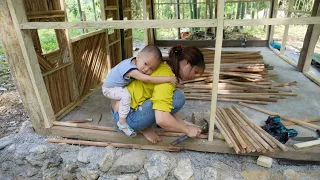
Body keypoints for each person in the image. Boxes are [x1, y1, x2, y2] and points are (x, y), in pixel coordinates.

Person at [110, 46, 205, 143]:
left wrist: (185, 126)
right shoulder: (167, 78)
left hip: (119, 110)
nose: (194, 77)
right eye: (195, 71)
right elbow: (161, 120)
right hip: (127, 119)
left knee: (172, 97)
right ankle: (141, 127)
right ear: (186, 63)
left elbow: (167, 103)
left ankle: (143, 125)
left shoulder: (163, 66)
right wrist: (187, 130)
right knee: (178, 97)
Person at [102, 45, 177, 137]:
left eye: (151, 69)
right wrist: (168, 79)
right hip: (109, 89)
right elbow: (147, 79)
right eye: (146, 64)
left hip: (116, 87)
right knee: (126, 96)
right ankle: (122, 123)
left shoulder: (136, 62)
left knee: (126, 95)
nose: (146, 69)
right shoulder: (131, 69)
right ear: (138, 56)